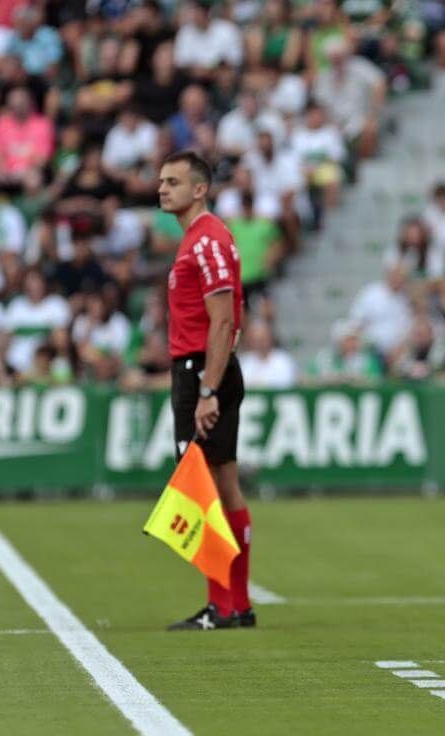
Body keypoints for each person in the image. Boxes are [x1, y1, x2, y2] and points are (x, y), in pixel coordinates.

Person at [157, 150, 254, 630]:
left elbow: (223, 321)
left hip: (202, 371)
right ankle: (237, 603)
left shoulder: (207, 241)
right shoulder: (199, 240)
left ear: (200, 189)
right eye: (161, 181)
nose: (162, 188)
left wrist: (208, 390)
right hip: (203, 368)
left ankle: (221, 604)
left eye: (173, 181)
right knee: (222, 481)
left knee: (202, 488)